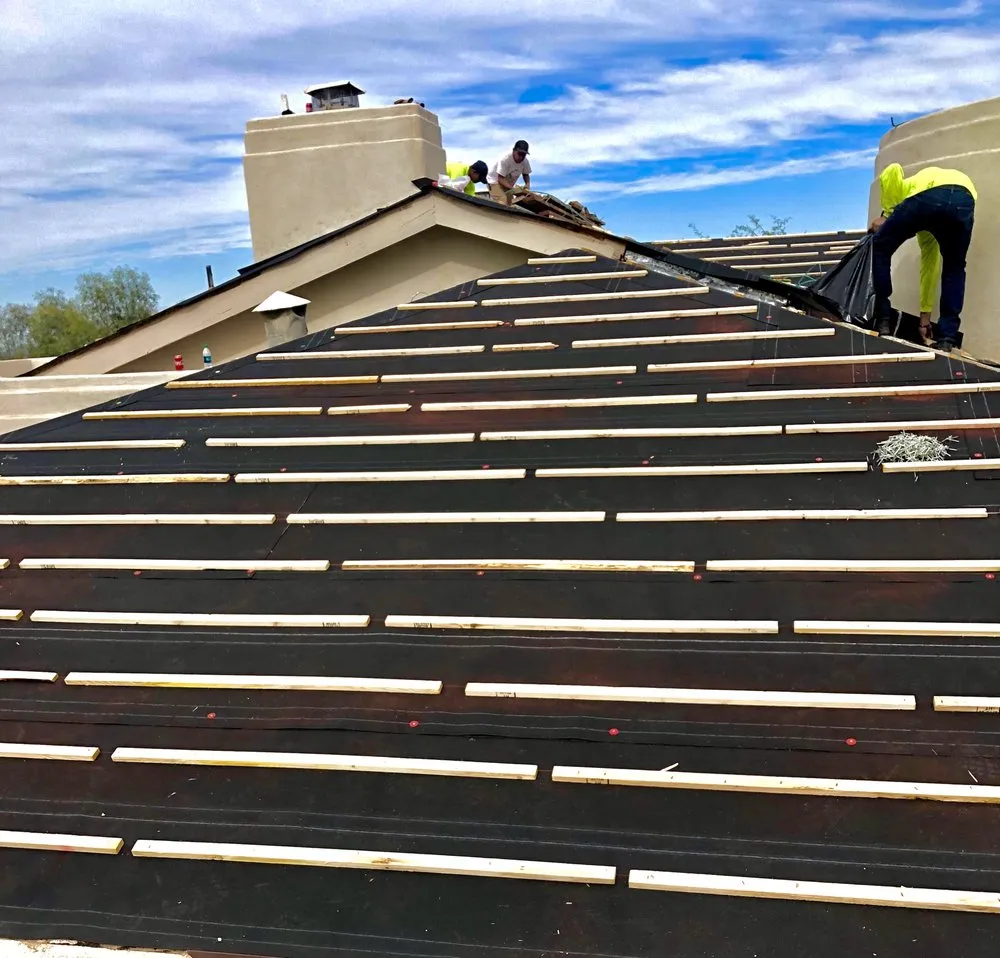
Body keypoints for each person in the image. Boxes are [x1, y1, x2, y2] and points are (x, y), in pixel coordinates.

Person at [869, 163, 976, 351]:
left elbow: (892, 170)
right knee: (954, 268)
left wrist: (887, 214)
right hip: (964, 197)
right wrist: (925, 317)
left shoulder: (909, 187)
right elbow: (929, 267)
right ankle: (946, 339)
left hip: (928, 196)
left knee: (880, 246)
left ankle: (883, 320)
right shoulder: (929, 235)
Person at [487, 140, 532, 206]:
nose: (521, 157)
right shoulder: (505, 159)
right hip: (494, 181)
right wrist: (514, 189)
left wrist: (527, 184)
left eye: (524, 155)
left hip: (508, 186)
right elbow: (500, 178)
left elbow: (525, 174)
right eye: (519, 154)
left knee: (510, 205)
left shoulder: (525, 162)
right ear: (514, 151)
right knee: (502, 201)